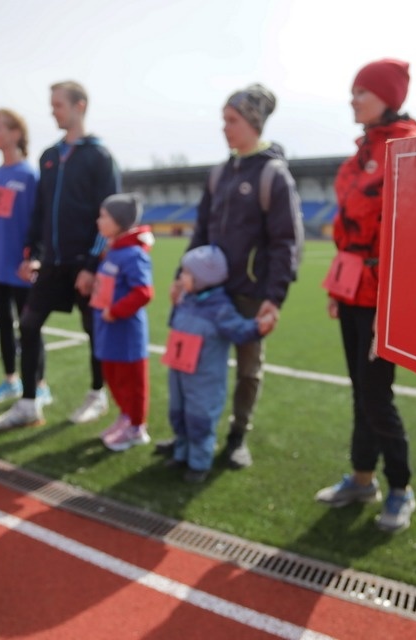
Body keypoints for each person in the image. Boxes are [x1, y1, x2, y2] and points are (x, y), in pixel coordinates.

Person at [158, 82, 304, 469]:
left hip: (250, 292)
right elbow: (201, 231)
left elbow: (285, 242)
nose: (224, 127)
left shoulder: (273, 175)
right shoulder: (219, 173)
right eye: (223, 119)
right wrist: (180, 275)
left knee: (248, 368)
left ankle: (238, 434)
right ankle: (187, 434)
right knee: (187, 361)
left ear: (253, 122)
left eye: (232, 119)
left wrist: (274, 297)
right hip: (204, 292)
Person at [314, 59, 416, 533]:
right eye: (353, 91)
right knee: (361, 391)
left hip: (387, 294)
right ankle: (362, 478)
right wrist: (339, 286)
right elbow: (348, 230)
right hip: (355, 288)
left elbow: (415, 231)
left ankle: (400, 487)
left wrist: (393, 307)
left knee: (377, 395)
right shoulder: (361, 153)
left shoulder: (412, 145)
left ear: (389, 95)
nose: (353, 99)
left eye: (362, 91)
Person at [0, 81, 120, 432]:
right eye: (52, 104)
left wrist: (92, 265)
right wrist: (34, 254)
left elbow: (111, 215)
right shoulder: (48, 156)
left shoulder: (99, 156)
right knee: (27, 325)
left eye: (58, 104)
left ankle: (96, 395)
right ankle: (28, 402)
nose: (53, 111)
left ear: (80, 107)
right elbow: (41, 213)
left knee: (93, 330)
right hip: (52, 263)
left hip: (84, 263)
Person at [165, 245, 274, 483]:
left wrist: (258, 327)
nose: (180, 277)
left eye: (185, 273)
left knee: (199, 418)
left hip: (204, 379)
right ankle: (181, 452)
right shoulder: (187, 300)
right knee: (178, 412)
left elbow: (240, 330)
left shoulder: (219, 308)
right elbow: (174, 322)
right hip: (179, 372)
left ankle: (199, 463)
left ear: (203, 279)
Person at [0, 109, 49, 405]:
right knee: (2, 324)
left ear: (16, 133)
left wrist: (33, 258)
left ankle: (40, 384)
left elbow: (39, 223)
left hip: (20, 267)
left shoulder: (30, 176)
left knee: (29, 327)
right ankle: (10, 380)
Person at [90, 193, 155, 451]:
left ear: (118, 221)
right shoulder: (112, 251)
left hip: (126, 331)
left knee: (132, 382)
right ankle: (124, 416)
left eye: (103, 216)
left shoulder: (133, 254)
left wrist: (115, 311)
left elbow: (143, 292)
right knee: (113, 378)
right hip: (107, 330)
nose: (98, 221)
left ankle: (137, 427)